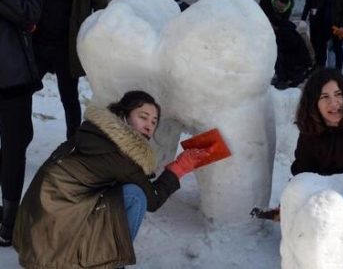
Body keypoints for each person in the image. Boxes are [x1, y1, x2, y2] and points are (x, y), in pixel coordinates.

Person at [13, 90, 208, 268]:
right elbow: (152, 199)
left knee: (119, 192)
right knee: (135, 196)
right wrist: (179, 168)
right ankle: (113, 263)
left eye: (154, 122)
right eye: (143, 117)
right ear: (123, 116)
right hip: (55, 251)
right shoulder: (122, 155)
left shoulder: (93, 131)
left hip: (36, 239)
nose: (149, 126)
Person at [32, 0, 108, 139]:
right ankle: (15, 142)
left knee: (69, 98)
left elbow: (101, 8)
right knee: (21, 93)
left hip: (67, 47)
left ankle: (73, 145)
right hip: (38, 44)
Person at [0, 0, 44, 246]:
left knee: (14, 142)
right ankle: (8, 225)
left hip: (8, 72)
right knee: (15, 146)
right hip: (9, 79)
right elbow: (28, 13)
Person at [291, 68, 343, 177]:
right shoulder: (310, 130)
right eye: (325, 97)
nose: (333, 103)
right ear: (314, 103)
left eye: (338, 94)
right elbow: (302, 174)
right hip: (321, 192)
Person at [260, 0, 312, 90]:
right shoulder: (265, 0)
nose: (278, 10)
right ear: (274, 1)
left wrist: (277, 28)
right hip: (266, 26)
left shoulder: (289, 8)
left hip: (280, 32)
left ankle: (284, 77)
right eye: (276, 7)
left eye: (281, 9)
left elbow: (283, 21)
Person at [301, 0, 328, 65]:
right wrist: (303, 19)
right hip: (314, 20)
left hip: (324, 21)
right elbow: (307, 4)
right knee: (314, 42)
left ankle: (322, 63)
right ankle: (315, 63)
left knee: (323, 44)